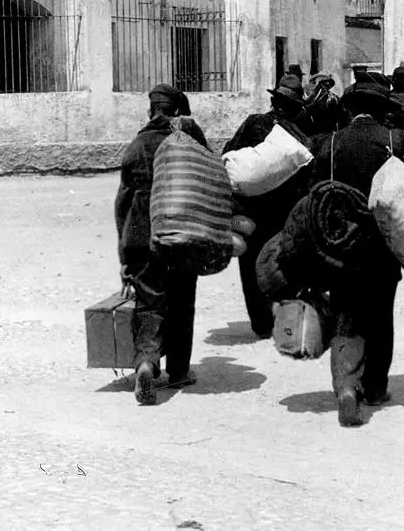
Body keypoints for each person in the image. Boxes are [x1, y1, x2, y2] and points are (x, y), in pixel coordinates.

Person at [309, 73, 404, 427]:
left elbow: (312, 196)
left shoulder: (329, 145)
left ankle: (346, 385)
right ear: (381, 109)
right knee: (380, 315)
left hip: (340, 246)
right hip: (383, 246)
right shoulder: (397, 140)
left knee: (345, 314)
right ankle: (374, 388)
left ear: (351, 108)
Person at [115, 83, 209, 405]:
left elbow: (123, 204)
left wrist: (125, 254)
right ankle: (179, 370)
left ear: (150, 109)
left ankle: (145, 363)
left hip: (143, 237)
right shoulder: (187, 139)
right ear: (176, 110)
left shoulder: (136, 146)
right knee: (182, 301)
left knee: (149, 304)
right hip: (181, 235)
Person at [224, 73, 313, 339]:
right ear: (297, 105)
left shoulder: (254, 123)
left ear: (274, 100)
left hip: (251, 211)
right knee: (285, 265)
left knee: (251, 265)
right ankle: (287, 324)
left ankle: (261, 324)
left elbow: (230, 154)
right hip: (285, 211)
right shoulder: (300, 133)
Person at [301, 70, 348, 137]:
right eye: (324, 83)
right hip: (312, 132)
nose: (327, 85)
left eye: (328, 83)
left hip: (326, 133)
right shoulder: (308, 96)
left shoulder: (333, 99)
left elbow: (341, 119)